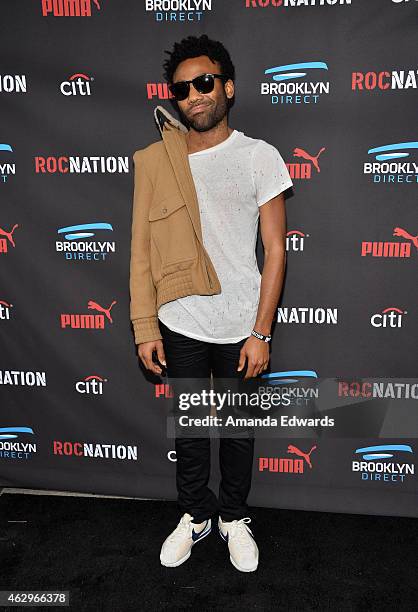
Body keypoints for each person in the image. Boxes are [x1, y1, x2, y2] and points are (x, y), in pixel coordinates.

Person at [129, 34, 293, 573]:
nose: (194, 95)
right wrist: (144, 326)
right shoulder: (158, 163)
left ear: (227, 87)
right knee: (193, 433)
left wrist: (261, 332)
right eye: (182, 89)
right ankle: (197, 515)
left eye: (204, 83)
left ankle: (233, 517)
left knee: (239, 433)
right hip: (181, 321)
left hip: (243, 322)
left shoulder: (258, 156)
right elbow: (141, 251)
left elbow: (275, 251)